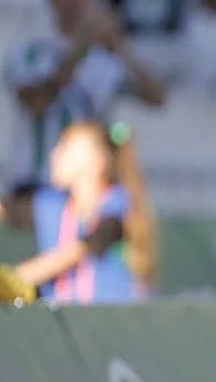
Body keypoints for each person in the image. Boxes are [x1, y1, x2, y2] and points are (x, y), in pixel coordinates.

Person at [4, 0, 165, 230]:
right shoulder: (31, 52)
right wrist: (81, 48)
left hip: (86, 188)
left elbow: (156, 97)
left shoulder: (106, 60)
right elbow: (36, 101)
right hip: (35, 183)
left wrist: (121, 46)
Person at [6, 120, 157, 303]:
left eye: (65, 148)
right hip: (63, 317)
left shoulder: (117, 206)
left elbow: (78, 252)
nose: (54, 154)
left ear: (98, 161)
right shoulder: (51, 204)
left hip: (110, 316)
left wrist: (13, 280)